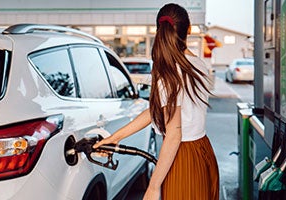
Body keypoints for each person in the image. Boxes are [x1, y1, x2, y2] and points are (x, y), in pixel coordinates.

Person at [94, 3, 219, 200]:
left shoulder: (168, 73)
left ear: (159, 30)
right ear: (189, 29)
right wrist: (116, 137)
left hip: (182, 157)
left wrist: (153, 187)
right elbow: (157, 111)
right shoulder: (198, 65)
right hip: (203, 151)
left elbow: (174, 133)